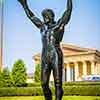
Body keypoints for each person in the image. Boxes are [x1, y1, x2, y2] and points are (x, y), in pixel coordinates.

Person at [18, 0, 72, 100]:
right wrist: (25, 6)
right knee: (43, 83)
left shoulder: (59, 25)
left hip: (56, 54)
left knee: (58, 83)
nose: (44, 18)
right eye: (43, 16)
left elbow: (68, 11)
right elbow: (32, 17)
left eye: (46, 16)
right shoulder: (42, 27)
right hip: (45, 56)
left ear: (51, 16)